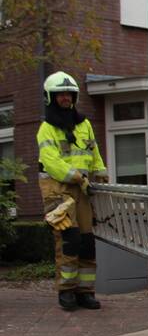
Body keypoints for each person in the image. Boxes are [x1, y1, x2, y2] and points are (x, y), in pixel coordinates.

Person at [36, 72, 107, 311]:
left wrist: (101, 171)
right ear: (51, 97)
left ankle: (85, 292)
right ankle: (66, 291)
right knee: (69, 241)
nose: (65, 98)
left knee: (87, 241)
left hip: (82, 190)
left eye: (69, 94)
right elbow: (52, 163)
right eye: (60, 94)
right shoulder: (46, 129)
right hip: (59, 191)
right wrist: (78, 177)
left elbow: (93, 151)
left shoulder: (84, 124)